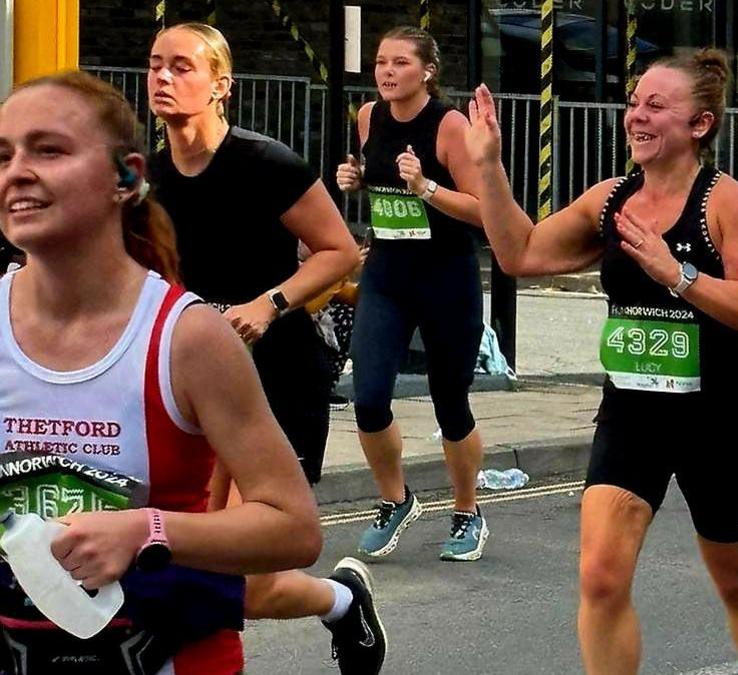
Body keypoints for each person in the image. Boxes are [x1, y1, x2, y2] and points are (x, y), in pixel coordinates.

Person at [465, 50, 738, 674]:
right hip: (633, 414)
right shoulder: (611, 200)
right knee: (601, 578)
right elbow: (519, 253)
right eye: (635, 102)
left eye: (656, 107)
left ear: (699, 124)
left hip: (719, 421)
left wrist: (680, 274)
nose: (636, 115)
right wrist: (488, 166)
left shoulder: (727, 203)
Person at [0, 70, 321, 674]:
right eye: (2, 155)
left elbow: (294, 528)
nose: (17, 170)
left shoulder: (187, 337)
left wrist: (143, 531)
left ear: (127, 178)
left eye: (48, 150)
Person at [146, 23, 384, 674]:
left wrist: (267, 303)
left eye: (182, 67)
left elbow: (339, 251)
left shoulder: (264, 163)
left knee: (234, 577)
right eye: (155, 65)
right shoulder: (148, 180)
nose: (163, 78)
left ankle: (339, 598)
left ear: (222, 86)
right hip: (193, 381)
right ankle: (341, 600)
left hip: (277, 370)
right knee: (202, 567)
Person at [335, 26, 491, 562]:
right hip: (387, 276)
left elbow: (482, 209)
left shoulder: (448, 126)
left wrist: (426, 187)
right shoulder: (368, 117)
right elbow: (379, 181)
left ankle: (468, 512)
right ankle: (394, 499)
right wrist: (356, 178)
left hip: (446, 277)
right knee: (370, 395)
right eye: (381, 62)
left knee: (451, 400)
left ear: (426, 71)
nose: (386, 72)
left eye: (400, 63)